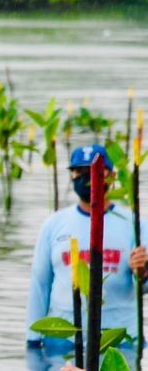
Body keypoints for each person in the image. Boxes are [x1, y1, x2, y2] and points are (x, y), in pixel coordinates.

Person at [25, 144, 146, 359]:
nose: (87, 178)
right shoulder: (54, 224)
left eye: (94, 171)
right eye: (79, 171)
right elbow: (39, 283)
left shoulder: (135, 224)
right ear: (71, 176)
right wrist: (33, 338)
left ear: (112, 175)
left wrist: (142, 272)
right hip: (64, 337)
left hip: (120, 337)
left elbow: (144, 286)